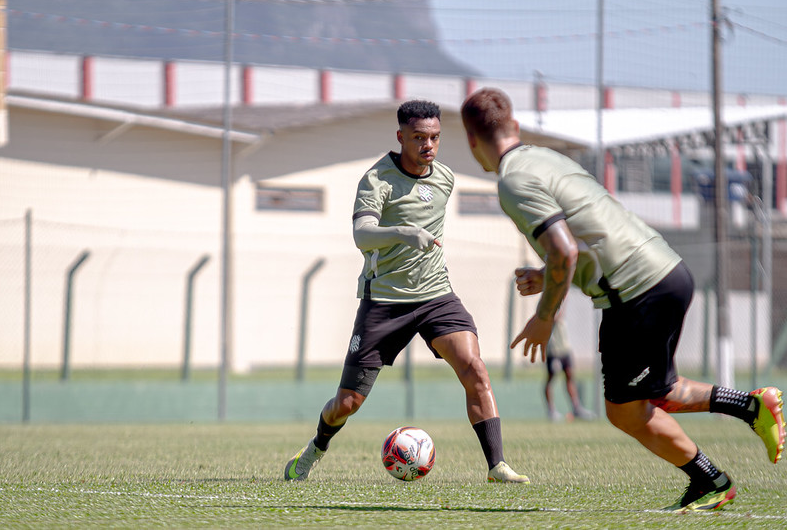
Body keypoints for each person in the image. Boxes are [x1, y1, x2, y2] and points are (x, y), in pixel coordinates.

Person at [460, 87, 785, 511]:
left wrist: (544, 315)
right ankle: (749, 409)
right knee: (657, 392)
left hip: (636, 292)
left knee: (626, 409)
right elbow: (589, 233)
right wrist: (548, 275)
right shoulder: (547, 158)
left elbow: (564, 249)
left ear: (471, 141)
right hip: (666, 269)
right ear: (516, 126)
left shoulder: (512, 180)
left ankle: (712, 478)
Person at [284, 99, 529, 484]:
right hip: (384, 301)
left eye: (434, 137)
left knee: (475, 368)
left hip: (436, 296)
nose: (428, 145)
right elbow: (361, 233)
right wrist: (402, 233)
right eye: (418, 137)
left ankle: (497, 465)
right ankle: (316, 445)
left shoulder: (444, 178)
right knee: (347, 403)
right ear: (401, 137)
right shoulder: (377, 180)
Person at [544, 311, 594, 422]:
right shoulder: (547, 302)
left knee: (570, 376)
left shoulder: (559, 299)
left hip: (565, 348)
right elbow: (552, 316)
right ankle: (551, 410)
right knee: (551, 378)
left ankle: (576, 408)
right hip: (553, 350)